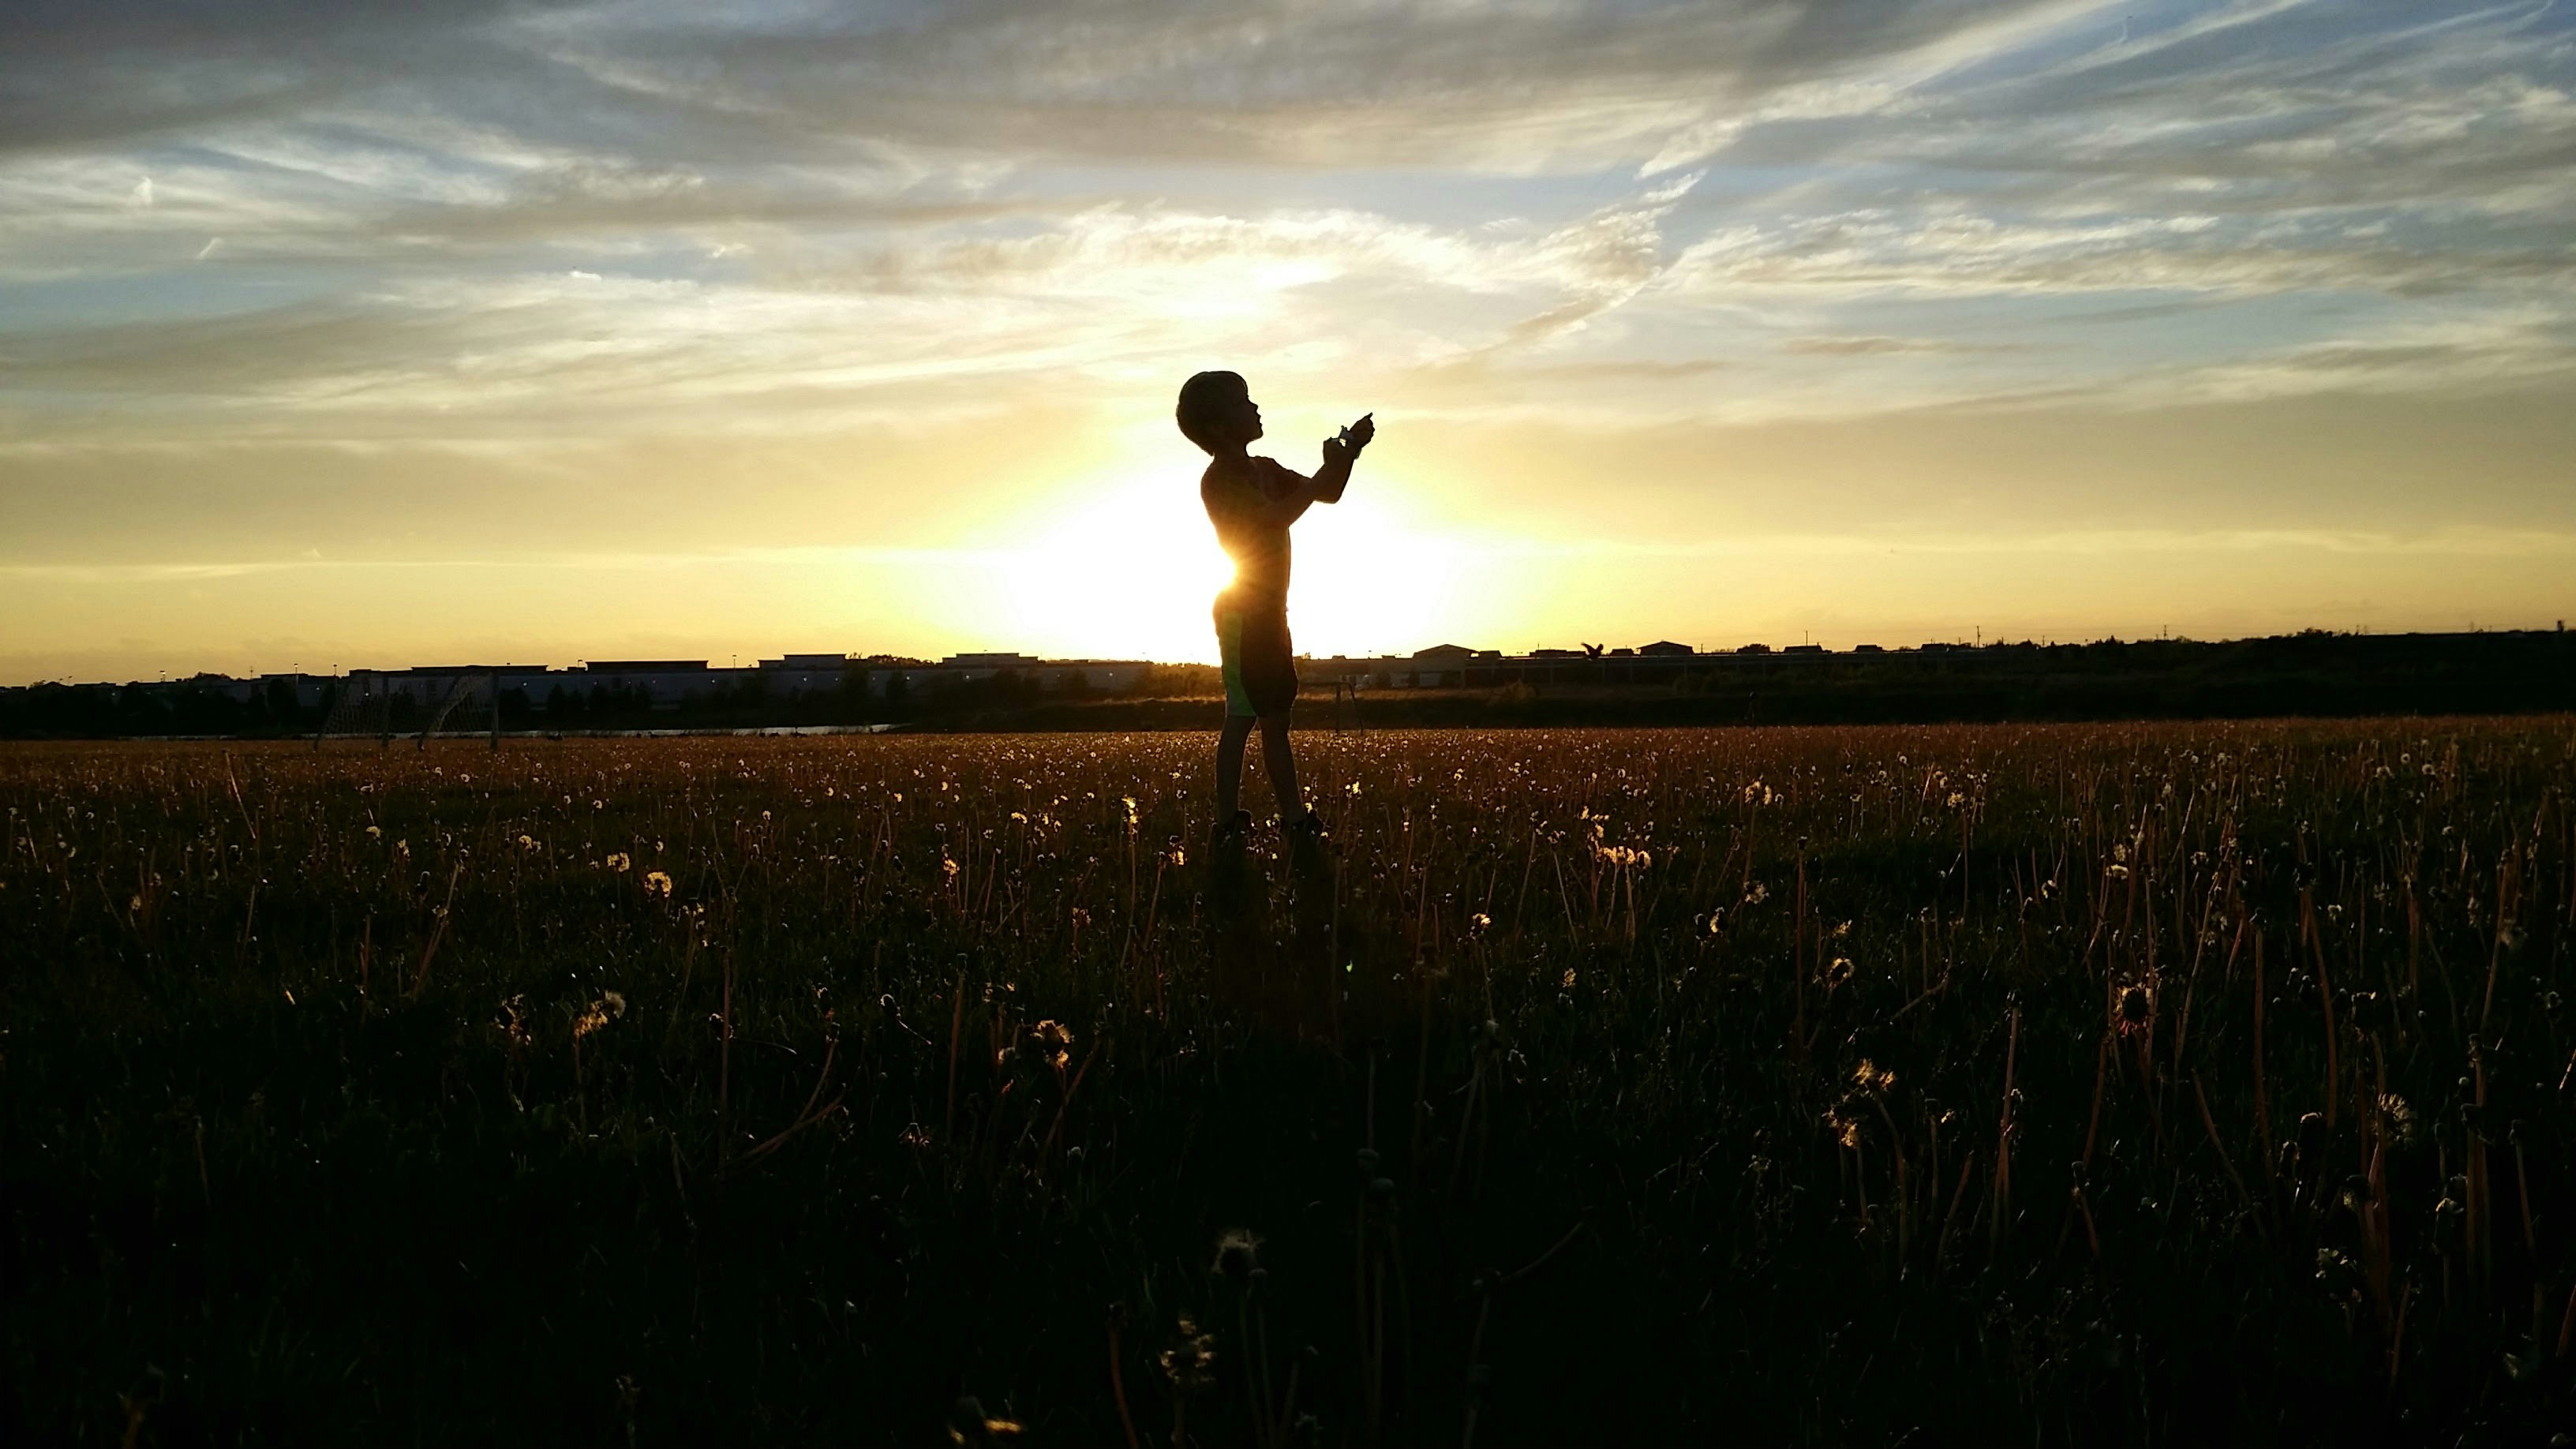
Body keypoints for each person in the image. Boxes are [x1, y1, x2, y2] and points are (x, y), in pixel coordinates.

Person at [1175, 370, 1373, 851]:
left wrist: (1347, 456)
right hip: (1242, 616)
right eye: (1245, 402)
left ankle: (1290, 818)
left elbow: (1326, 492)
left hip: (1269, 614)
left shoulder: (1265, 468)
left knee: (1274, 717)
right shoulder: (1219, 481)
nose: (1257, 407)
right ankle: (1238, 821)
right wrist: (1316, 479)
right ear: (1220, 429)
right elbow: (1270, 519)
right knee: (1243, 718)